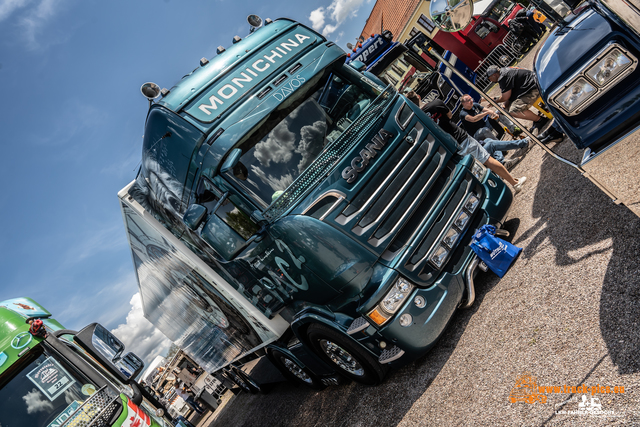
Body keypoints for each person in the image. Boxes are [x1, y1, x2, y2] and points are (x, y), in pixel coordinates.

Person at [421, 98, 527, 193]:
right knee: (488, 158)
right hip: (461, 138)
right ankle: (514, 183)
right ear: (419, 97)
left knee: (474, 172)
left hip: (450, 148)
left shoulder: (419, 117)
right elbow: (450, 115)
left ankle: (496, 190)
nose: (471, 101)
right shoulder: (436, 103)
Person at [486, 65, 549, 132]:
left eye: (489, 78)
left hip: (534, 88)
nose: (490, 81)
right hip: (534, 83)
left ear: (494, 75)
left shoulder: (503, 77)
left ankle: (540, 120)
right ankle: (537, 118)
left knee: (514, 111)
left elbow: (505, 97)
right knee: (506, 109)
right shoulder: (505, 71)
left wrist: (495, 101)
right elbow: (509, 94)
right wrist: (504, 105)